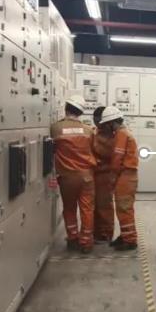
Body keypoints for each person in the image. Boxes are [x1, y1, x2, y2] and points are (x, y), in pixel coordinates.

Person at [51, 95, 98, 253]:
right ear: (81, 112)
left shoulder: (55, 128)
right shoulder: (88, 130)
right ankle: (86, 242)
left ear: (66, 109)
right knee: (87, 209)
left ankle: (72, 238)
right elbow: (94, 149)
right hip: (86, 176)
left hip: (67, 177)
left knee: (69, 208)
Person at [98, 108, 139, 250]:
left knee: (124, 209)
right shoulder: (125, 133)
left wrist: (112, 178)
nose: (106, 127)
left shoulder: (121, 134)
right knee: (123, 208)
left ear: (112, 123)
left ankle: (130, 240)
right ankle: (126, 235)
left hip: (125, 175)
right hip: (128, 175)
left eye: (107, 124)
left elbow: (117, 159)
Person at [91, 106, 117, 245]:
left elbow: (105, 152)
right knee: (94, 205)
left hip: (105, 175)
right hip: (95, 174)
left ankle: (105, 234)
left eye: (97, 121)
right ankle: (96, 233)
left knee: (104, 205)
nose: (96, 123)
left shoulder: (113, 136)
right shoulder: (97, 132)